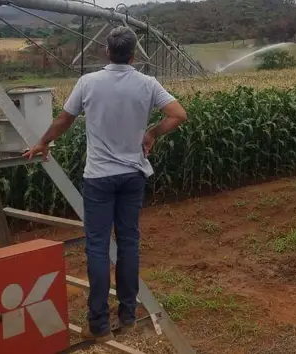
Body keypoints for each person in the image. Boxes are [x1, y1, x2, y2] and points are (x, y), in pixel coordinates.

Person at [24, 26, 188, 341]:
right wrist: (152, 133)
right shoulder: (147, 84)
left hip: (99, 177)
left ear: (106, 52)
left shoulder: (89, 82)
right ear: (135, 55)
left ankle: (99, 326)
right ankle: (127, 317)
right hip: (132, 175)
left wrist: (43, 142)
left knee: (97, 247)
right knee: (128, 244)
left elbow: (64, 120)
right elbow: (178, 114)